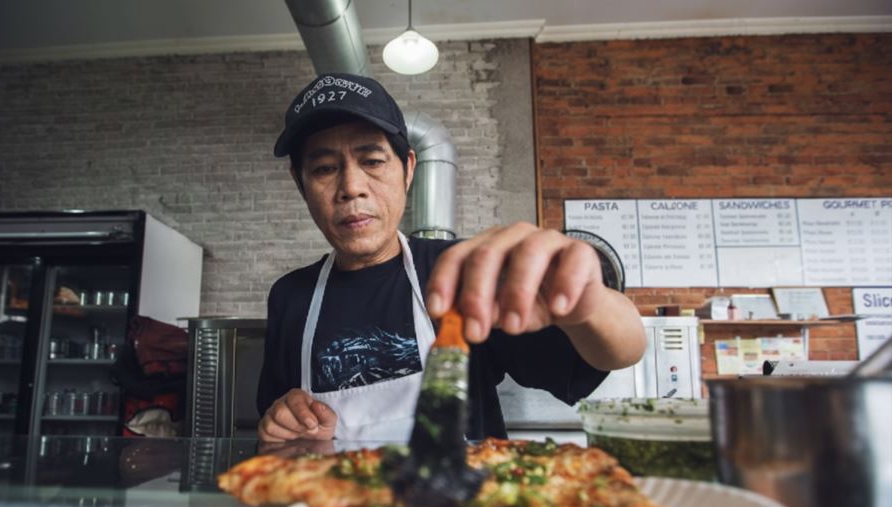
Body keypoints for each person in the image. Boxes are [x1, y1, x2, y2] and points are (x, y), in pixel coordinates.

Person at [256, 73, 645, 442]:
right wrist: (284, 421)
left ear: (408, 169)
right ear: (301, 184)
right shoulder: (291, 296)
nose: (352, 187)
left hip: (462, 506)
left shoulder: (461, 270)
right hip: (334, 506)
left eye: (372, 161)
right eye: (324, 168)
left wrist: (582, 298)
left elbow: (621, 350)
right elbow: (276, 419)